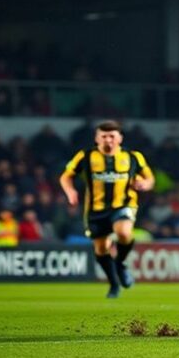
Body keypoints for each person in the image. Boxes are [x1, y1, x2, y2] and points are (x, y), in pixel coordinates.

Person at [60, 120, 155, 298]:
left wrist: (145, 184)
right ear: (97, 138)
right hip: (96, 209)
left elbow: (149, 178)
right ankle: (113, 284)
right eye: (103, 136)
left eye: (112, 136)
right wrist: (70, 191)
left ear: (120, 138)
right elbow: (66, 176)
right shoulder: (86, 156)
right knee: (101, 249)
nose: (108, 140)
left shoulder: (133, 156)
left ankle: (119, 263)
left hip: (124, 204)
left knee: (124, 233)